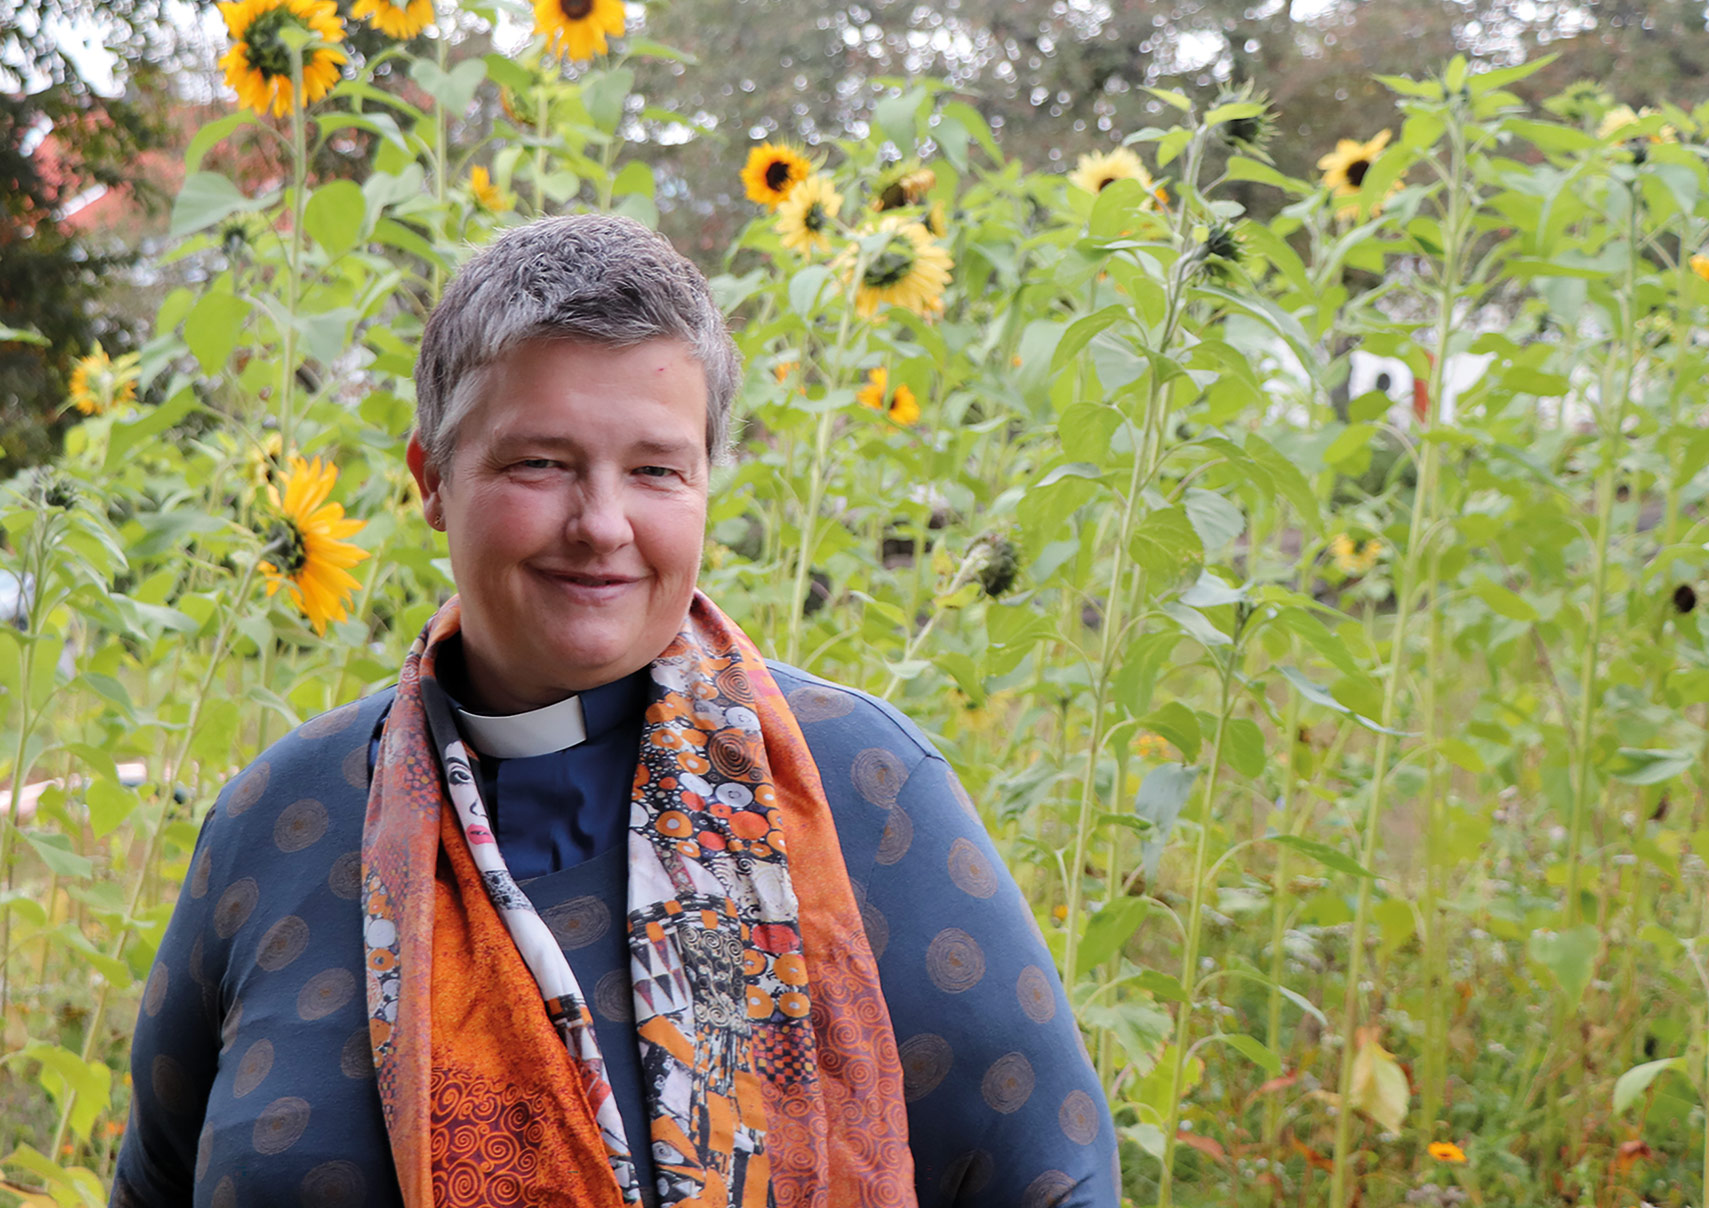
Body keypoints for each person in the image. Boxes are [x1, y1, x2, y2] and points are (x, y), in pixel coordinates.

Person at [112, 215, 1117, 1208]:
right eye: (540, 462)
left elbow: (1055, 1181)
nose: (601, 524)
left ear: (706, 483)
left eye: (653, 469)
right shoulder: (281, 821)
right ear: (431, 479)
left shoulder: (863, 790)